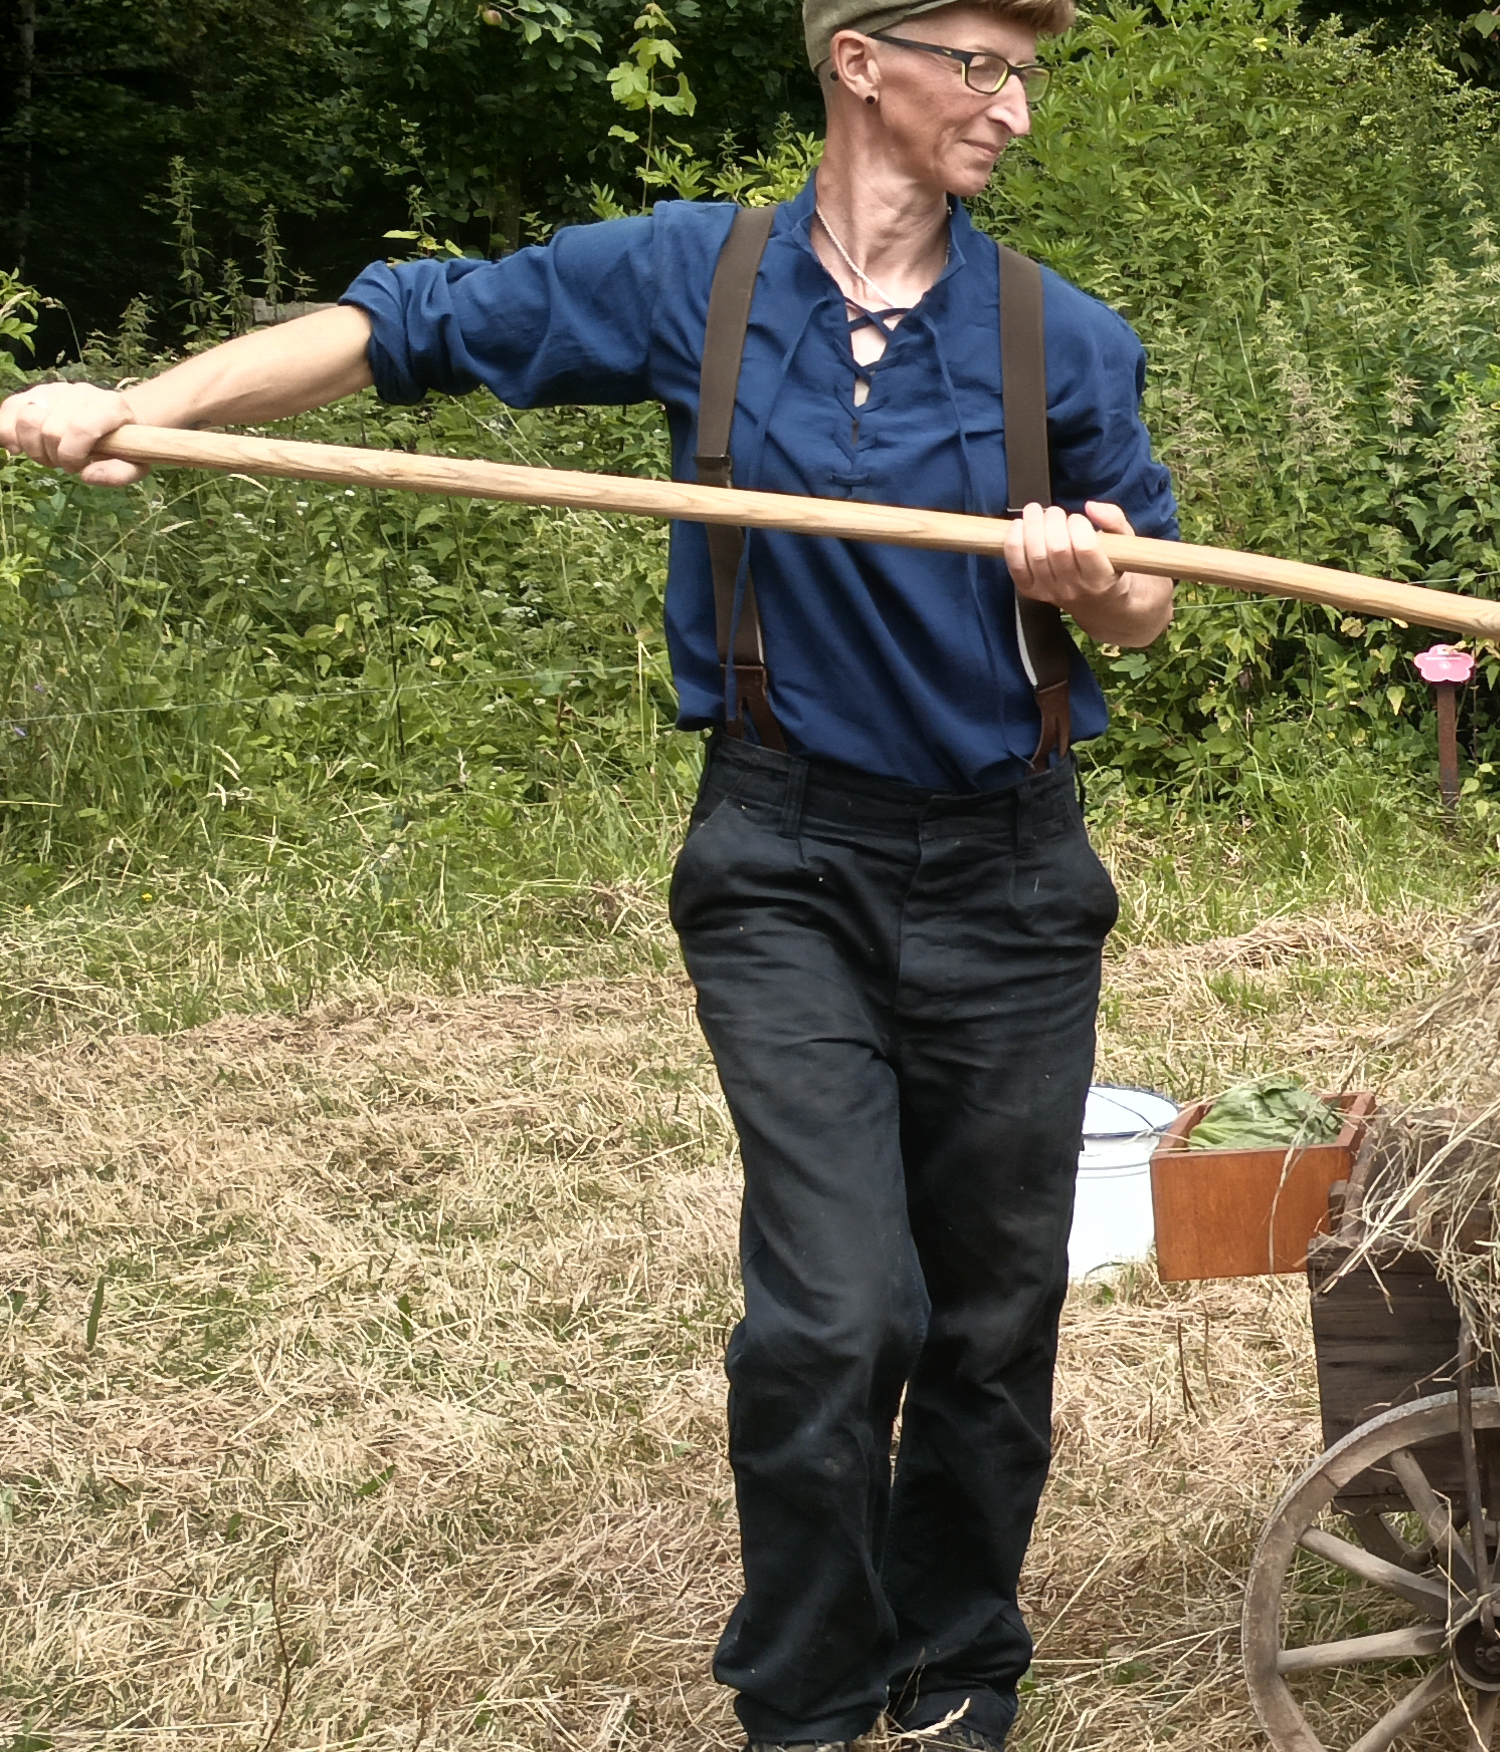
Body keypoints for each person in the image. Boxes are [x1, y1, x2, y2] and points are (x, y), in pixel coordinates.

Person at [2, 0, 1175, 1742]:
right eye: (983, 65)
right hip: (786, 854)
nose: (1017, 106)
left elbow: (1151, 602)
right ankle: (805, 1698)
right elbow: (400, 326)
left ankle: (955, 1670)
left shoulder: (1058, 339)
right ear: (861, 59)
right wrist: (140, 406)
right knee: (838, 1316)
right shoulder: (696, 281)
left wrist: (1091, 585)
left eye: (1029, 71)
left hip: (1010, 874)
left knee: (989, 1321)